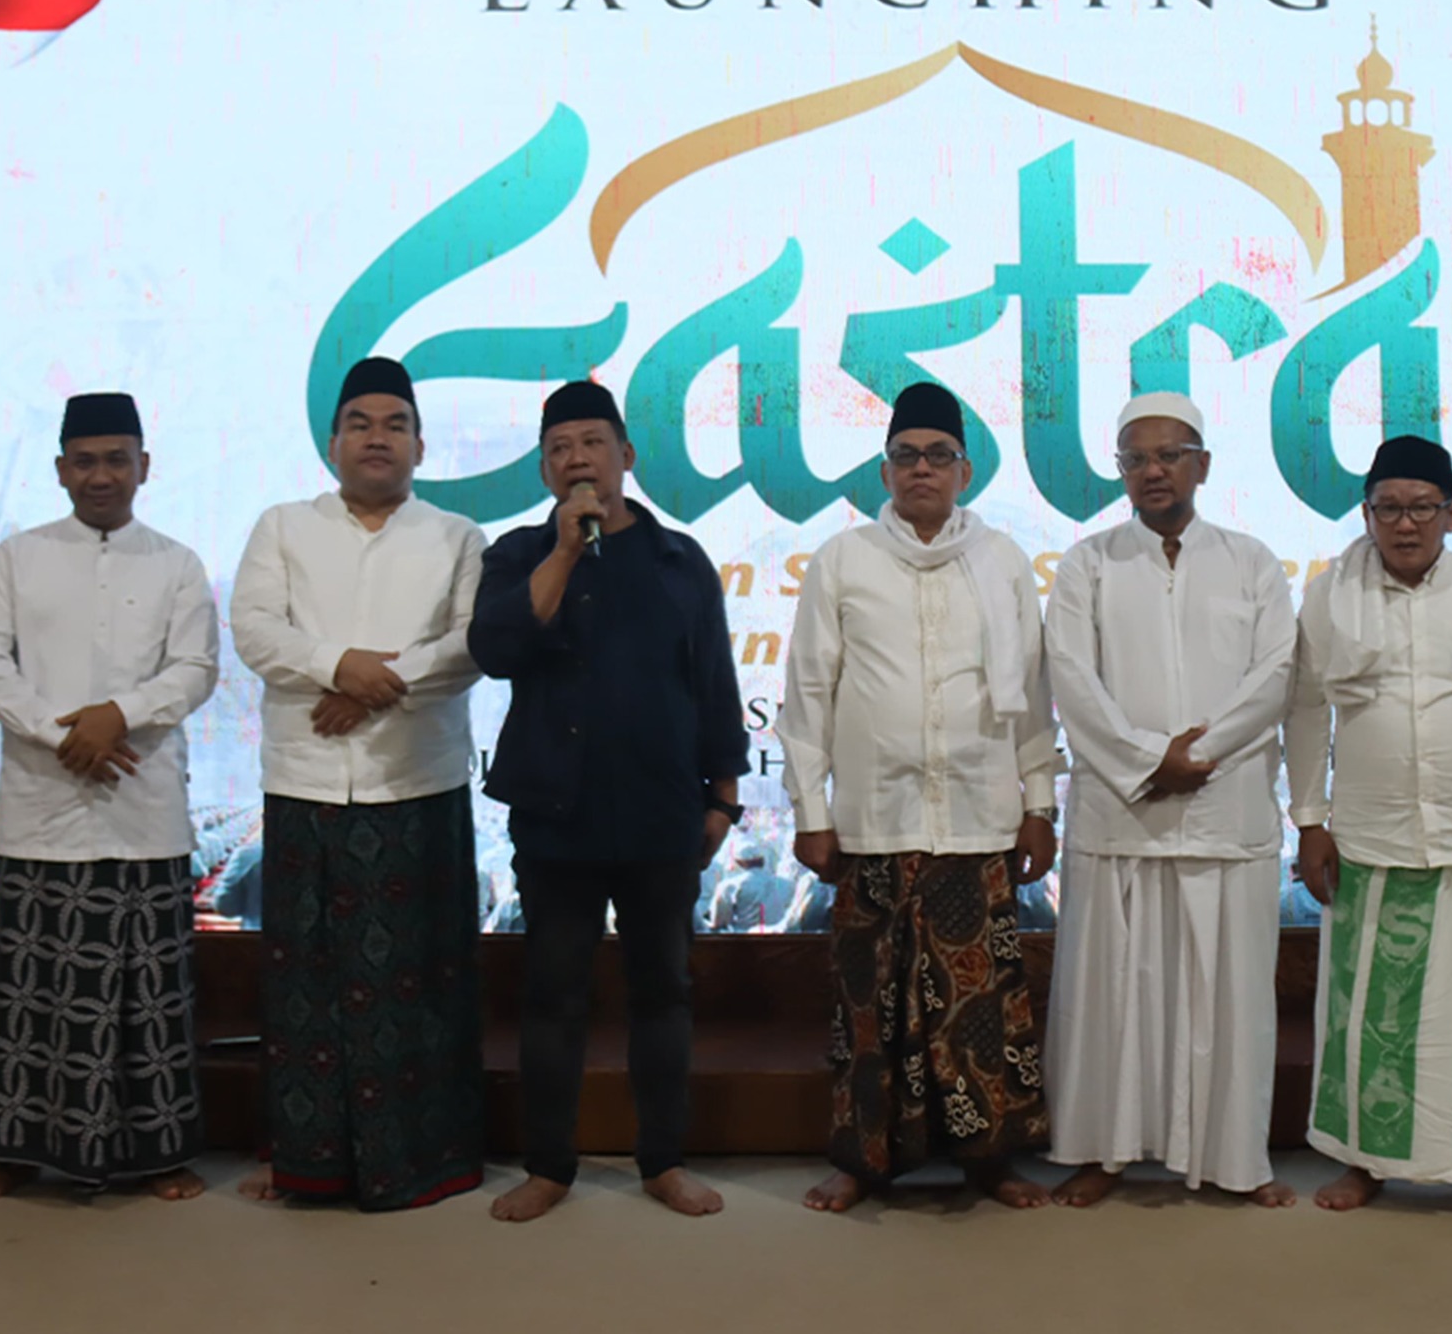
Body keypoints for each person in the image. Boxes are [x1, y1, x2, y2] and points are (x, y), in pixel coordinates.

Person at [470, 380, 744, 1223]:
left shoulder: (679, 560)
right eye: (559, 449)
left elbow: (713, 679)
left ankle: (663, 1161)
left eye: (592, 443)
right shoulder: (518, 554)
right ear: (544, 469)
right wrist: (562, 552)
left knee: (663, 992)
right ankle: (549, 1167)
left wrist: (724, 794)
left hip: (662, 811)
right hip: (558, 814)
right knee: (554, 995)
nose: (576, 459)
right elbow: (496, 648)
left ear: (625, 456)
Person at [782, 381, 1058, 1214]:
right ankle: (863, 1161)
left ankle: (990, 1161)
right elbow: (808, 695)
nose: (922, 469)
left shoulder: (1002, 561)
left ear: (965, 471)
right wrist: (810, 814)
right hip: (875, 821)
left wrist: (1038, 802)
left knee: (980, 1011)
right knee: (871, 1008)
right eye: (906, 456)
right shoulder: (844, 560)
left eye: (939, 455)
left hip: (978, 819)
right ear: (885, 471)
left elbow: (1032, 694)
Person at [229, 357, 489, 1209]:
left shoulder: (457, 535)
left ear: (420, 445)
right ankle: (309, 1160)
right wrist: (336, 664)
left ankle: (421, 1161)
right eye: (361, 424)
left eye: (395, 425)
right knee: (306, 987)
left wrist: (379, 681)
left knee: (422, 983)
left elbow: (470, 644)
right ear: (333, 442)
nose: (378, 438)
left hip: (418, 785)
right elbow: (255, 628)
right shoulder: (282, 527)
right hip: (306, 784)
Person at [0, 392, 221, 1203]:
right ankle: (17, 1152)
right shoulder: (17, 557)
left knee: (149, 996)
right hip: (44, 806)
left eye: (116, 460)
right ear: (61, 469)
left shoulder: (177, 563)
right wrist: (60, 733)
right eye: (85, 461)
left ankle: (160, 1154)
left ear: (144, 466)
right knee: (34, 996)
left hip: (143, 808)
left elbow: (195, 669)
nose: (100, 475)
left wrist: (119, 717)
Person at [1042, 391, 1296, 1209]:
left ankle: (1237, 1160)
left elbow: (1275, 675)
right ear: (1120, 471)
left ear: (1202, 465)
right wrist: (1153, 760)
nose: (1152, 471)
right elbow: (1071, 677)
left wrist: (1201, 754)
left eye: (1169, 456)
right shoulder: (1087, 564)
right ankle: (1099, 1151)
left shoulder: (1252, 561)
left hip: (1226, 813)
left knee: (1230, 1005)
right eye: (1135, 459)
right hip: (1124, 814)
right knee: (1111, 1001)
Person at [1287, 435, 1452, 1215]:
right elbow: (1306, 712)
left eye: (1423, 508)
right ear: (1366, 513)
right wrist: (1309, 820)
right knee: (1371, 1011)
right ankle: (1363, 1161)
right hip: (1371, 833)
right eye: (1389, 508)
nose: (1406, 524)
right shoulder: (1331, 597)